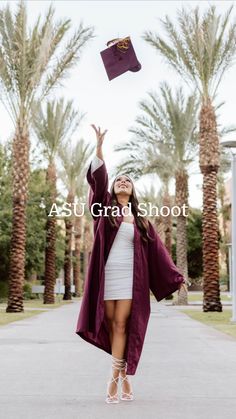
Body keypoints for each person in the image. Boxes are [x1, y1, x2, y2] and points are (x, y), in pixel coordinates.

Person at [75, 125, 187, 404]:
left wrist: (174, 276)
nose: (123, 182)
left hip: (129, 279)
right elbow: (98, 181)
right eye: (119, 180)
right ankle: (125, 379)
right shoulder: (104, 210)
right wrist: (99, 147)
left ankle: (113, 382)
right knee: (113, 326)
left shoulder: (141, 221)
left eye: (128, 180)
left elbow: (158, 253)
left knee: (123, 326)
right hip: (106, 277)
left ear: (133, 190)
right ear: (113, 188)